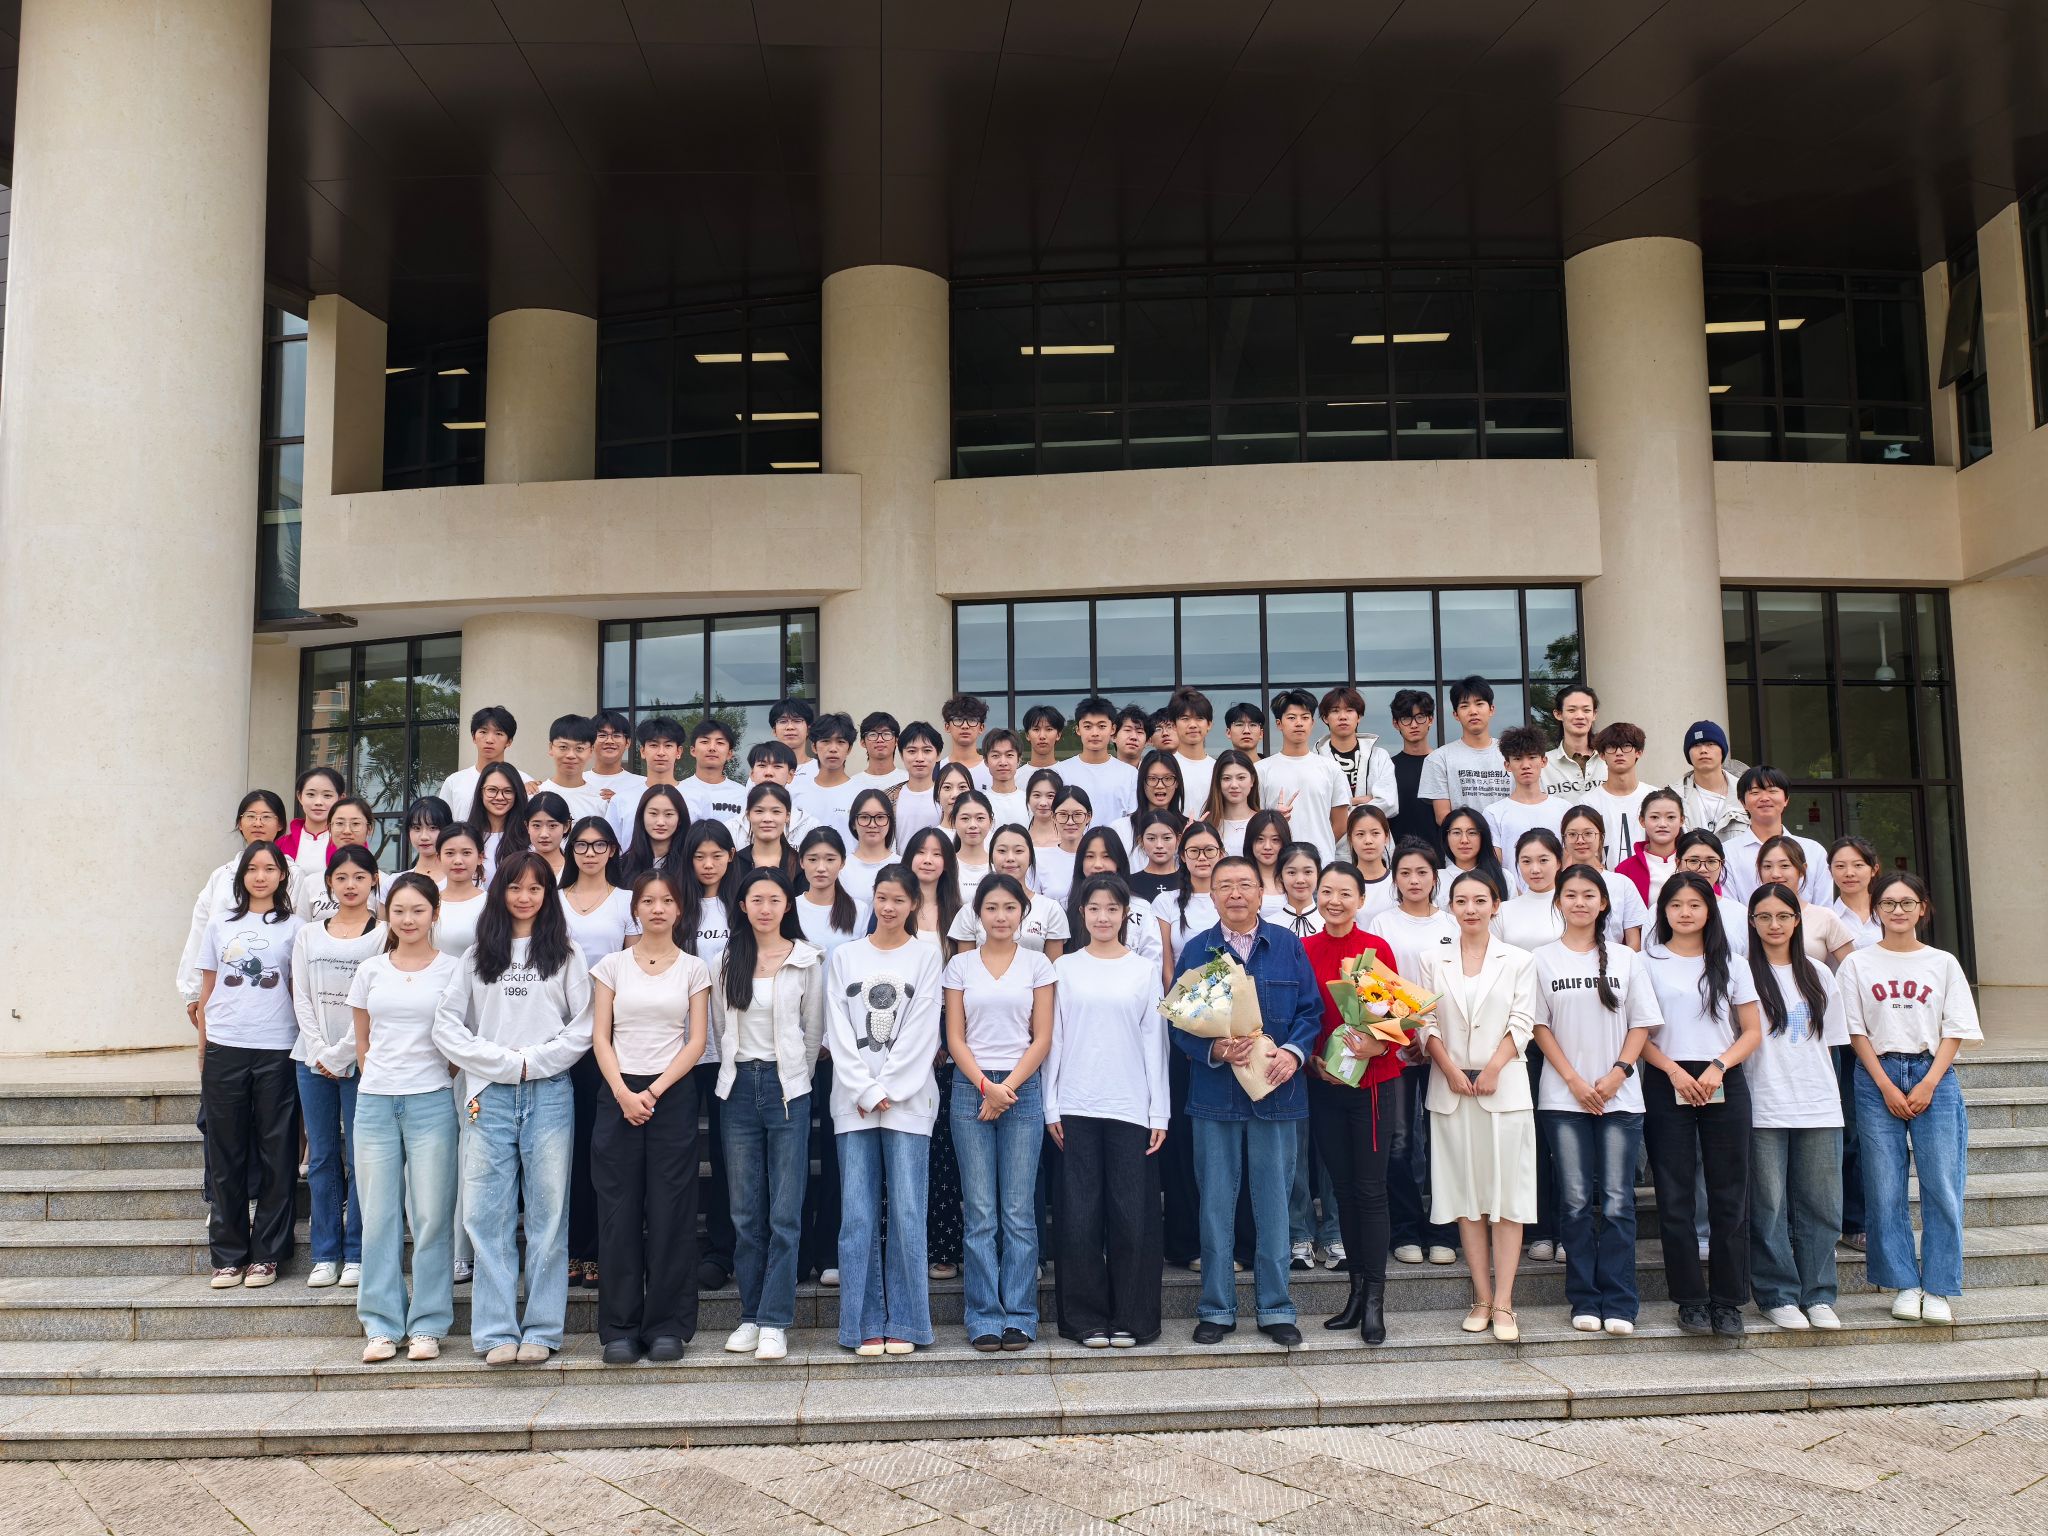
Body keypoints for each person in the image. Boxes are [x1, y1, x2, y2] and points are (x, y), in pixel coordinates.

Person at [431, 851, 595, 1364]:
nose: (525, 897)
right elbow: (446, 1025)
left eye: (535, 888)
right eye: (515, 887)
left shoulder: (565, 953)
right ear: (500, 892)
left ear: (548, 895)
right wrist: (501, 1062)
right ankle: (497, 1331)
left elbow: (585, 1026)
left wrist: (534, 1062)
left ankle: (542, 1329)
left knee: (548, 1214)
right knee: (487, 1215)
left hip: (549, 1093)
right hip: (488, 1094)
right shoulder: (478, 955)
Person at [1172, 855, 1323, 1347]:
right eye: (1225, 886)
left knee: (1274, 1203)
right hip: (1215, 1097)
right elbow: (1178, 1023)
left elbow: (1311, 1011)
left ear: (1262, 893)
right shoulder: (1198, 949)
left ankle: (1276, 1307)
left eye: (1244, 885)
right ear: (1212, 896)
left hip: (1277, 1092)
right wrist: (1213, 1049)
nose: (1235, 893)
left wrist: (1295, 1053)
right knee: (1215, 1204)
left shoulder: (1287, 946)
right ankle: (1216, 1308)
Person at [1839, 872, 1979, 1325]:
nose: (1897, 911)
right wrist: (1884, 1084)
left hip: (1932, 1074)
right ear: (1876, 909)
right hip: (1875, 1075)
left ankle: (1938, 1287)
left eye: (1906, 903)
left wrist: (1929, 1083)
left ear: (1923, 908)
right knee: (1884, 1187)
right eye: (1888, 903)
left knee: (1942, 1185)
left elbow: (1956, 1028)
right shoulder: (1857, 964)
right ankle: (1903, 1283)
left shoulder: (1943, 962)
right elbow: (1855, 1030)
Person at [586, 870, 711, 1364]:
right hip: (617, 1094)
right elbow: (600, 1036)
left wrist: (653, 1092)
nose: (658, 909)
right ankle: (619, 1327)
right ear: (635, 908)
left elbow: (696, 1041)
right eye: (648, 901)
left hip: (671, 1095)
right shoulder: (611, 966)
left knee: (671, 1212)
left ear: (680, 909)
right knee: (617, 1212)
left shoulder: (694, 969)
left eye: (667, 901)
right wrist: (623, 1093)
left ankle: (667, 1326)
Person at [1531, 866, 1659, 1335]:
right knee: (1576, 1201)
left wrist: (1617, 1073)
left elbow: (1642, 1023)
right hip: (1563, 1099)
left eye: (1589, 895)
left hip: (1620, 1098)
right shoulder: (1541, 959)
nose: (1580, 902)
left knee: (1620, 1201)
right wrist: (1574, 1081)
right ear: (1558, 902)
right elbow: (1538, 1026)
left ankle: (1621, 1302)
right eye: (1571, 895)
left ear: (1604, 903)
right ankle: (1584, 1299)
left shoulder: (1626, 958)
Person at [709, 867, 827, 1361]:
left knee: (784, 1210)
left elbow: (813, 1031)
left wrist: (794, 1076)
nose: (764, 908)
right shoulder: (728, 958)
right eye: (756, 899)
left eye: (774, 899)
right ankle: (750, 1314)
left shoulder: (806, 959)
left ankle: (776, 1319)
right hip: (738, 1086)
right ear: (742, 906)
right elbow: (720, 1025)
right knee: (744, 1211)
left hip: (787, 1088)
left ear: (787, 905)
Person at [825, 865, 944, 1355]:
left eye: (898, 899)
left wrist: (888, 1087)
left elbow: (923, 1029)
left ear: (914, 904)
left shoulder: (927, 955)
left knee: (908, 1213)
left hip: (909, 1102)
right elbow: (836, 1026)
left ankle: (909, 1322)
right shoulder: (846, 956)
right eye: (882, 898)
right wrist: (865, 1089)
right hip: (852, 1103)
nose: (889, 907)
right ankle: (862, 1323)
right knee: (857, 1215)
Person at [1639, 873, 1764, 1337]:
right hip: (1665, 1076)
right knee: (1674, 1197)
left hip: (1721, 1077)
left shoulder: (1731, 962)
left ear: (1710, 910)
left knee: (1729, 1194)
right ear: (1664, 911)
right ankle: (1690, 1300)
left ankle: (1728, 1301)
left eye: (1694, 904)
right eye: (1676, 905)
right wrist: (1672, 1070)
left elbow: (1752, 1030)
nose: (1685, 913)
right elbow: (1636, 1032)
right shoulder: (1646, 962)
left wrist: (1718, 1066)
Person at [1047, 874, 1170, 1348]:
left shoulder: (1142, 970)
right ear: (1082, 913)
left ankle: (1134, 1318)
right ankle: (1083, 1319)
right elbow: (1054, 1040)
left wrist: (1159, 1113)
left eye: (1112, 909)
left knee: (1133, 1216)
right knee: (1078, 1217)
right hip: (1075, 1104)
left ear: (1125, 915)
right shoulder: (1064, 968)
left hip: (1130, 1106)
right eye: (1094, 908)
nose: (1103, 917)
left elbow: (1154, 1043)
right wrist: (1051, 1107)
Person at [1418, 872, 1539, 1343]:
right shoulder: (1433, 959)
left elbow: (1522, 1021)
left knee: (1506, 1198)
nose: (1470, 909)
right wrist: (1449, 1068)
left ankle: (1505, 1301)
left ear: (1496, 905)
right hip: (1451, 1089)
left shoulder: (1519, 960)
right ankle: (1481, 1297)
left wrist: (1492, 1068)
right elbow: (1424, 1021)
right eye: (1461, 901)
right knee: (1466, 1199)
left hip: (1503, 1089)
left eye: (1480, 900)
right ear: (1451, 907)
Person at [348, 872, 463, 1365]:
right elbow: (362, 1039)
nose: (408, 919)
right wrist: (380, 1075)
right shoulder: (370, 970)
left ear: (435, 913)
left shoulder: (454, 970)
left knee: (432, 1216)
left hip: (431, 1100)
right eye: (399, 911)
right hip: (375, 1101)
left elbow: (460, 1040)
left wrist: (433, 1075)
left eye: (418, 910)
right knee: (377, 1216)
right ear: (387, 915)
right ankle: (380, 1324)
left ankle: (428, 1324)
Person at [943, 874, 1056, 1350]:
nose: (1001, 916)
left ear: (1022, 914)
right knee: (981, 1211)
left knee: (1018, 1210)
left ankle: (1021, 1315)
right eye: (992, 908)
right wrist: (985, 1087)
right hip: (971, 1086)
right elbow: (955, 1037)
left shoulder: (1038, 964)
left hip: (1021, 1088)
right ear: (978, 914)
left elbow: (1043, 1037)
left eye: (1010, 907)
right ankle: (984, 1315)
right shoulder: (960, 966)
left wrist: (1005, 1087)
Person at [196, 841, 304, 1289]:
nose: (261, 876)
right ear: (241, 876)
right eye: (252, 869)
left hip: (278, 1047)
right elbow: (208, 988)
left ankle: (268, 1254)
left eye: (269, 868)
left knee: (277, 1150)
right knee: (225, 1151)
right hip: (225, 1044)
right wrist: (202, 1046)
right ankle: (228, 1255)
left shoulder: (297, 927)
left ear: (283, 875)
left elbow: (298, 990)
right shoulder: (220, 924)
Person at [1301, 864, 1402, 1342]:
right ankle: (1355, 1294)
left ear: (1361, 900)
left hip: (1373, 1086)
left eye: (1345, 893)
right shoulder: (1305, 950)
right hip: (1325, 1086)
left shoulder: (1374, 951)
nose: (1334, 901)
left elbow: (1398, 1019)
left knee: (1370, 1190)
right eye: (1327, 892)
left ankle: (1376, 1300)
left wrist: (1378, 1045)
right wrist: (1311, 1060)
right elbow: (1303, 1017)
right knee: (1341, 1191)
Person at [1745, 884, 1849, 1332]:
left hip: (1818, 1103)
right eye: (1764, 916)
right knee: (1768, 1206)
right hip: (1763, 1102)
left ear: (1797, 920)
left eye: (1783, 916)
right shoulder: (1741, 973)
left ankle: (1819, 1294)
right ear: (1752, 922)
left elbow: (1832, 1044)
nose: (1775, 925)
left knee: (1821, 1205)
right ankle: (1777, 1294)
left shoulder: (1820, 974)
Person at [289, 843, 383, 1289]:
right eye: (341, 878)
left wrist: (342, 1053)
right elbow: (301, 995)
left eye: (359, 877)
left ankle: (357, 1252)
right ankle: (325, 1253)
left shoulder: (383, 935)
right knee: (323, 1157)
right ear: (328, 882)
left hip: (362, 1059)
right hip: (310, 1059)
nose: (350, 885)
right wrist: (319, 1050)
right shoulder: (308, 934)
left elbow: (374, 1002)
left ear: (373, 881)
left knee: (361, 1155)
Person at [1367, 840, 1461, 1269]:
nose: (1414, 880)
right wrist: (1405, 1036)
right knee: (1400, 1141)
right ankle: (1405, 1229)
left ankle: (1444, 1231)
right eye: (1405, 873)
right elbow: (1374, 986)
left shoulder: (1453, 921)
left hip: (1446, 1047)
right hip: (1396, 1047)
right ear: (1395, 879)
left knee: (1444, 1138)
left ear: (1435, 878)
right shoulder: (1382, 923)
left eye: (1422, 872)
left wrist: (1431, 1039)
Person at [561, 816, 634, 1293]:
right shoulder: (552, 899)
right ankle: (572, 1246)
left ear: (612, 850)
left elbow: (634, 967)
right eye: (582, 845)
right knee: (567, 1149)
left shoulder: (627, 901)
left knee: (604, 1148)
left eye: (599, 844)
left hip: (610, 1039)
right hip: (561, 1036)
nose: (590, 853)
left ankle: (599, 1250)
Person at [794, 829, 862, 1285]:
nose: (821, 867)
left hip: (844, 1047)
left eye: (830, 858)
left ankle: (832, 1249)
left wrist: (832, 1039)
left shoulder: (859, 911)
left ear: (842, 863)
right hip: (795, 1044)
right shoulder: (788, 908)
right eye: (813, 858)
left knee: (839, 1151)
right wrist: (807, 1037)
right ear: (801, 862)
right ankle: (798, 1252)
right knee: (796, 1150)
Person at [179, 790, 289, 1027]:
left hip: (275, 1002)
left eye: (266, 816)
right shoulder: (221, 876)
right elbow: (200, 932)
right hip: (223, 994)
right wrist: (192, 991)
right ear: (240, 823)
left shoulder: (293, 875)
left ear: (280, 824)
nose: (257, 823)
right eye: (250, 816)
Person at [1256, 689, 1352, 862]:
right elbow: (1255, 819)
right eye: (1291, 718)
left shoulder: (1331, 768)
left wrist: (1322, 847)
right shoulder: (1261, 769)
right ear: (1279, 724)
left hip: (1321, 863)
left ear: (1312, 723)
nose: (1299, 723)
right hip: (1276, 862)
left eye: (1305, 717)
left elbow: (1341, 823)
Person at [1065, 827, 1165, 978]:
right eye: (1090, 856)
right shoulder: (1068, 906)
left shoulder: (1141, 908)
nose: (1098, 864)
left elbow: (1153, 963)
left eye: (1106, 856)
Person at [1722, 767, 1830, 905]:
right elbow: (1729, 908)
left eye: (1772, 791)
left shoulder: (1814, 851)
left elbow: (1824, 907)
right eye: (1755, 792)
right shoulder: (1727, 853)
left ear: (1786, 799)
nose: (1764, 798)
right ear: (1743, 803)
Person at [957, 825, 1071, 956]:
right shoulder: (970, 910)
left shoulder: (1051, 910)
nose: (1010, 858)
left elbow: (1053, 965)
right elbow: (965, 963)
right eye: (1002, 851)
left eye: (1018, 851)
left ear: (1030, 857)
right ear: (991, 857)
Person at [1756, 837, 1859, 966]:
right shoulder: (1747, 918)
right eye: (1767, 866)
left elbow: (1853, 969)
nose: (1775, 874)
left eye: (1784, 866)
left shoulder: (1824, 917)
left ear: (1802, 870)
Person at [1421, 675, 1511, 820]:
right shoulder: (1439, 759)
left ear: (1491, 709)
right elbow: (1442, 816)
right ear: (1455, 715)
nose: (1473, 711)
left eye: (1479, 703)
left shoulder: (1513, 753)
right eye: (1464, 706)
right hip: (1463, 835)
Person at [1559, 805, 1648, 947]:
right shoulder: (1556, 883)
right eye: (1572, 834)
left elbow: (1633, 940)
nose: (1580, 840)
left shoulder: (1621, 883)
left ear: (1601, 837)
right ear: (1564, 839)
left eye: (1588, 833)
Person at [1483, 727, 1566, 872]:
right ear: (1507, 765)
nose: (1526, 765)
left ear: (1544, 761)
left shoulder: (1564, 809)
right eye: (1517, 759)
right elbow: (1494, 864)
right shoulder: (1493, 813)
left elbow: (1569, 856)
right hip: (1512, 887)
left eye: (1532, 757)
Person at [1315, 684, 1398, 817]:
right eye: (1335, 711)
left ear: (1359, 716)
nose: (1343, 716)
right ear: (1325, 718)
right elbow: (1314, 806)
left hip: (1370, 830)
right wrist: (1361, 800)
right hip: (1330, 831)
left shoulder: (1379, 756)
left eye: (1349, 710)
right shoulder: (1314, 759)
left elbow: (1389, 803)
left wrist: (1340, 807)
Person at [1583, 723, 1654, 869]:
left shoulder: (1656, 798)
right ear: (1602, 755)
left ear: (1639, 752)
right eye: (1611, 747)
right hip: (1602, 880)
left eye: (1626, 746)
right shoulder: (1587, 803)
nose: (1619, 753)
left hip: (1650, 879)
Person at [1060, 696, 1139, 827]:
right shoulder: (1061, 771)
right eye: (1088, 726)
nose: (1095, 733)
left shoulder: (1130, 774)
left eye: (1102, 726)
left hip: (1117, 841)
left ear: (1112, 729)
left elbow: (1132, 821)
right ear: (1078, 729)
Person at [1670, 829, 1751, 955]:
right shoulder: (1660, 910)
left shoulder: (1740, 913)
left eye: (1711, 861)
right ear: (1678, 863)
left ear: (1722, 864)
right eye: (1693, 861)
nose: (1702, 869)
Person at [1154, 819, 1224, 961]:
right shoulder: (1165, 901)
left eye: (1209, 850)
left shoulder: (1233, 897)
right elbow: (1166, 962)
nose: (1202, 857)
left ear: (1221, 854)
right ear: (1183, 856)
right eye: (1194, 851)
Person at [439, 706, 523, 822]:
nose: (489, 740)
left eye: (498, 733)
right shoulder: (454, 782)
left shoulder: (523, 781)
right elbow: (442, 824)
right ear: (473, 737)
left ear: (509, 741)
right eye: (483, 732)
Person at [1493, 830, 1566, 952]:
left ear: (1558, 863)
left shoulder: (1571, 908)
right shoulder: (1502, 911)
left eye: (1543, 860)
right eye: (1526, 861)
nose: (1535, 870)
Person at [793, 712, 863, 838]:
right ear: (814, 747)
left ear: (849, 749)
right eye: (825, 741)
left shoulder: (861, 794)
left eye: (840, 742)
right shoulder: (795, 792)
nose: (833, 749)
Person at [1615, 787, 1686, 908]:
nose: (1662, 824)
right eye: (1654, 817)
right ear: (1642, 821)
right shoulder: (1625, 869)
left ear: (1681, 820)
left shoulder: (1696, 863)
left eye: (1670, 817)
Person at [1676, 720, 1749, 838]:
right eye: (1696, 745)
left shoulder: (1747, 792)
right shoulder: (1675, 796)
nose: (1703, 750)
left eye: (1710, 744)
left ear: (1722, 750)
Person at [1386, 690, 1438, 849]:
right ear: (1396, 724)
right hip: (1399, 856)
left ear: (1430, 719)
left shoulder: (1443, 763)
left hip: (1440, 856)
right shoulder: (1387, 767)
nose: (1414, 725)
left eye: (1420, 717)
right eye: (1406, 718)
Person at [533, 714, 607, 825]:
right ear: (551, 748)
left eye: (579, 748)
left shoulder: (601, 801)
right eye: (563, 747)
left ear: (591, 751)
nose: (571, 755)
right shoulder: (534, 795)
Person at [465, 761, 531, 884]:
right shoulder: (465, 837)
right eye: (492, 790)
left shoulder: (530, 839)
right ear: (481, 792)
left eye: (508, 791)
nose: (500, 797)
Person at [1110, 750, 1186, 855]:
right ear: (1142, 783)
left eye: (1168, 778)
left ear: (1177, 783)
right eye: (1152, 778)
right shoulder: (1121, 829)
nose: (1160, 785)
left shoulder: (1187, 828)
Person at [278, 764, 346, 876]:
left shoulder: (350, 842)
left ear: (340, 799)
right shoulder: (281, 844)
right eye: (311, 794)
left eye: (327, 795)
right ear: (299, 796)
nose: (318, 802)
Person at [1542, 683, 1607, 800]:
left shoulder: (1608, 760)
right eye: (1571, 710)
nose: (1580, 716)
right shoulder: (1543, 765)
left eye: (1586, 710)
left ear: (1594, 714)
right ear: (1558, 714)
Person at [1435, 807, 1507, 909]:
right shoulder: (1435, 879)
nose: (1464, 840)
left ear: (1483, 837)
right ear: (1446, 837)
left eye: (1472, 832)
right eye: (1456, 832)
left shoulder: (1504, 876)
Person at [617, 783, 689, 886]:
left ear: (680, 819)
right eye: (653, 813)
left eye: (668, 814)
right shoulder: (623, 867)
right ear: (642, 816)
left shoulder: (691, 865)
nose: (660, 822)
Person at [679, 717, 746, 825]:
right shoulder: (678, 791)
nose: (712, 748)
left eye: (720, 743)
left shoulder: (743, 795)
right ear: (693, 750)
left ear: (729, 753)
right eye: (705, 742)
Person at [1034, 784, 1092, 906]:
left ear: (1088, 817)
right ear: (1053, 817)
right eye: (1063, 815)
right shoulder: (1039, 859)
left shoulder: (1100, 857)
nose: (1070, 822)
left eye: (1077, 815)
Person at [733, 782, 802, 884]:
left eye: (776, 812)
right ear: (748, 815)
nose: (767, 819)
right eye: (759, 811)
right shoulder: (734, 864)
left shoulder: (801, 865)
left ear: (787, 816)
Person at [839, 787, 898, 907]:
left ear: (890, 821)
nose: (872, 824)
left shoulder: (902, 865)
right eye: (864, 817)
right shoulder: (841, 868)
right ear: (853, 823)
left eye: (880, 817)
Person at [586, 710, 648, 820]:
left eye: (617, 735)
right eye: (602, 735)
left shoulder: (643, 785)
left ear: (628, 743)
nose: (609, 741)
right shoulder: (578, 782)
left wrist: (621, 802)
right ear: (591, 742)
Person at [894, 721, 946, 844]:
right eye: (912, 751)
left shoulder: (947, 797)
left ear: (938, 755)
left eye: (927, 751)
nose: (920, 758)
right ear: (901, 755)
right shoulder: (889, 797)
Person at [1828, 836, 1884, 950]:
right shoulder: (1826, 918)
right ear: (1830, 870)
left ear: (1874, 870)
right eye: (1840, 866)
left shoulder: (1890, 911)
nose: (1849, 873)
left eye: (1858, 865)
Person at [1203, 748, 1262, 855]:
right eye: (1226, 778)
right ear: (1218, 782)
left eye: (1241, 778)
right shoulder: (1207, 825)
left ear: (1252, 780)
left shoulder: (1263, 822)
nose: (1234, 785)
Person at [1344, 805, 1398, 919]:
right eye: (1360, 834)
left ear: (1386, 837)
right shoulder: (1342, 883)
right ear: (1350, 839)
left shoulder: (1399, 882)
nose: (1368, 841)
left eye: (1375, 833)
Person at [1169, 686, 1217, 809]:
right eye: (1185, 719)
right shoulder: (1167, 767)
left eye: (1199, 718)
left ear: (1209, 724)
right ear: (1174, 725)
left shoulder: (1218, 768)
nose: (1192, 725)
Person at [1131, 808, 1184, 903]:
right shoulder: (1128, 884)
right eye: (1151, 838)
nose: (1159, 845)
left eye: (1167, 838)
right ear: (1141, 841)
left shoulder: (1190, 881)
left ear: (1178, 840)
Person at [1273, 842, 1325, 940]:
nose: (1300, 880)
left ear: (1318, 875)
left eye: (1308, 872)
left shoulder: (1330, 924)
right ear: (1280, 876)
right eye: (1291, 872)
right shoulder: (1268, 926)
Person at [952, 789, 996, 901]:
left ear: (990, 821)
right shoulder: (945, 865)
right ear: (954, 821)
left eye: (980, 818)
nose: (973, 825)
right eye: (965, 818)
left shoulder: (999, 866)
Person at [941, 693, 992, 785]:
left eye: (972, 720)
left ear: (981, 728)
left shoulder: (993, 769)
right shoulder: (936, 770)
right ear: (947, 727)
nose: (965, 726)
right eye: (958, 720)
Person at [982, 729, 1030, 825]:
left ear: (1019, 760)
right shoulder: (979, 802)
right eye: (995, 755)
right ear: (986, 761)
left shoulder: (1030, 802)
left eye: (1009, 755)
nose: (1003, 762)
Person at [523, 791, 572, 884]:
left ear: (566, 826)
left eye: (552, 825)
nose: (544, 834)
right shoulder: (516, 868)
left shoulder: (577, 870)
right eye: (536, 825)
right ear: (527, 826)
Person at [855, 712, 907, 791]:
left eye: (886, 734)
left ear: (896, 741)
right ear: (863, 743)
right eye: (872, 734)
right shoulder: (853, 783)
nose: (880, 739)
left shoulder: (909, 781)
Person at [1021, 703, 1065, 774]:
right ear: (1027, 735)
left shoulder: (1068, 775)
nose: (1042, 736)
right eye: (1036, 729)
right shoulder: (1015, 777)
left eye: (1049, 729)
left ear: (1058, 735)